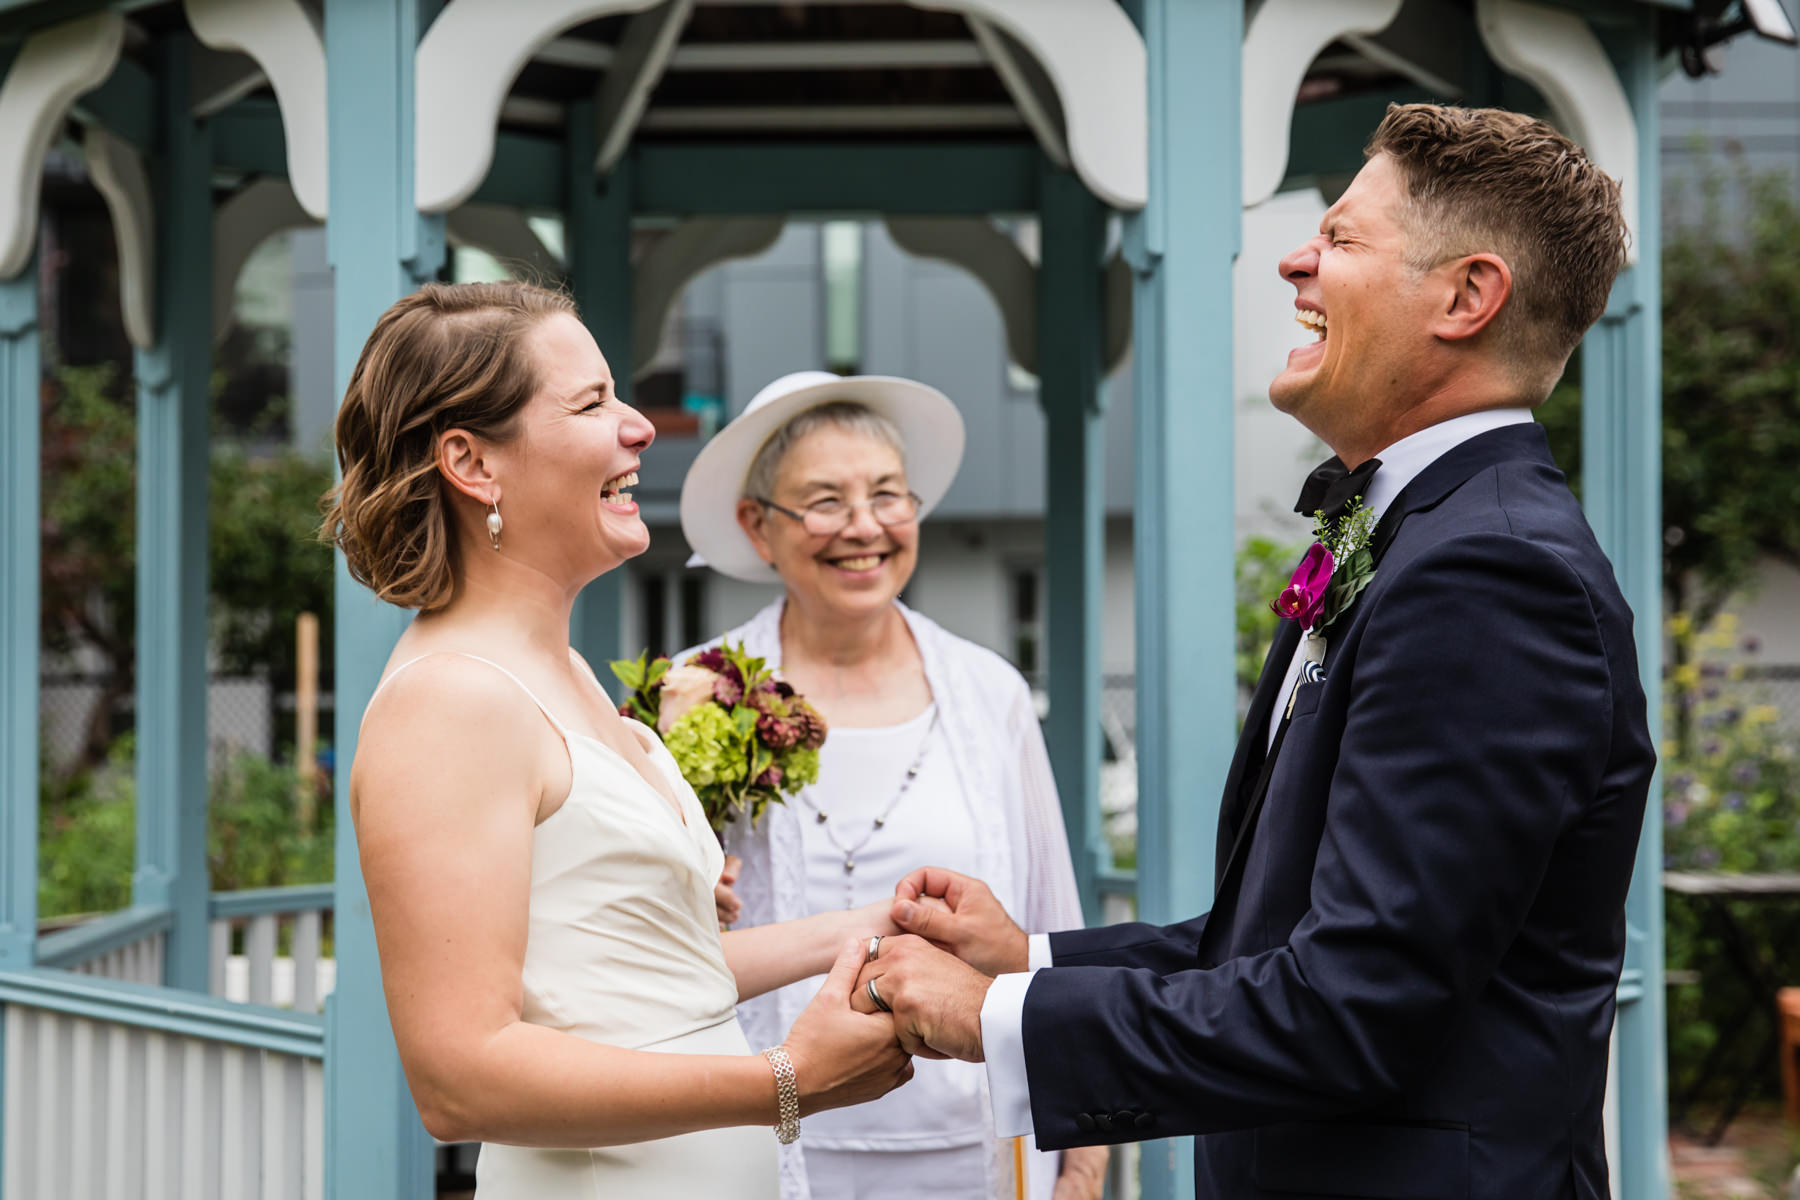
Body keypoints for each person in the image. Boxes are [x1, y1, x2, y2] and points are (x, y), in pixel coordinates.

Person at [850, 104, 1657, 1200]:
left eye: (1338, 237)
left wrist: (997, 1021)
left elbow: (1353, 1006)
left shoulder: (1492, 577)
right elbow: (1278, 941)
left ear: (1467, 297)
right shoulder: (1417, 538)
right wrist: (1029, 959)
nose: (1293, 259)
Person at [324, 283, 914, 1200]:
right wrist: (786, 1083)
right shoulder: (449, 704)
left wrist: (868, 927)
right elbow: (458, 1078)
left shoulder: (561, 672)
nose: (639, 428)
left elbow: (644, 987)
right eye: (593, 403)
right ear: (472, 463)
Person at [678, 371, 1110, 1200]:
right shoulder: (697, 694)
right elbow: (652, 936)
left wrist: (1084, 1164)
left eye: (887, 495)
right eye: (826, 502)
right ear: (757, 527)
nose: (865, 527)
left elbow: (1050, 923)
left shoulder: (991, 694)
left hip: (970, 1152)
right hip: (757, 1145)